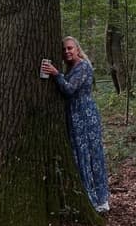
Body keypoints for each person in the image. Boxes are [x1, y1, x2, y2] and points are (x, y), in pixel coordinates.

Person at [41, 36, 111, 213]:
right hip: (74, 115)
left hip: (86, 115)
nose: (67, 52)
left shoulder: (83, 66)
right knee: (80, 154)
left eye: (70, 48)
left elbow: (70, 89)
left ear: (77, 49)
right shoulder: (72, 68)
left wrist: (56, 74)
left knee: (91, 155)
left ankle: (100, 200)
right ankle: (90, 197)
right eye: (64, 49)